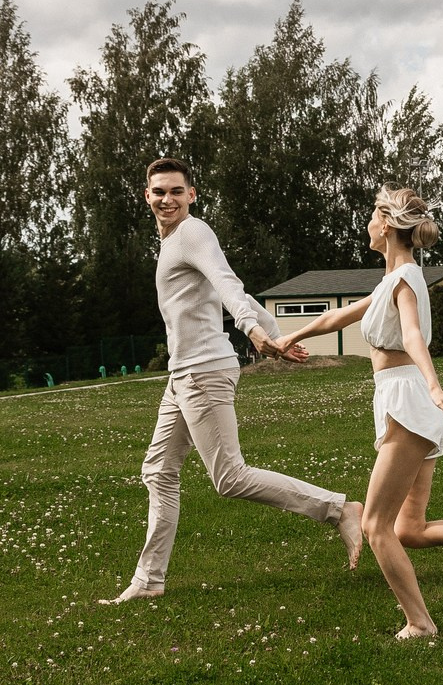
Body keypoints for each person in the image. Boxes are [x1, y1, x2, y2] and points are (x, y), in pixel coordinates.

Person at [274, 186, 443, 640]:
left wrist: (435, 386)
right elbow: (338, 318)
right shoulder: (391, 280)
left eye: (371, 217)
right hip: (406, 401)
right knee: (409, 529)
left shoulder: (405, 281)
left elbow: (414, 335)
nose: (367, 225)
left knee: (376, 525)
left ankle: (420, 622)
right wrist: (288, 337)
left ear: (387, 225)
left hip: (409, 401)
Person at [102, 158, 363, 604]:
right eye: (159, 192)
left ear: (192, 195)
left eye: (176, 191)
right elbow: (237, 291)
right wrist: (277, 335)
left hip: (203, 372)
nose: (167, 199)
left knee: (229, 477)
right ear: (146, 196)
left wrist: (258, 333)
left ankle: (340, 509)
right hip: (182, 374)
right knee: (158, 471)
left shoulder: (193, 233)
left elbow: (227, 286)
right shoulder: (170, 243)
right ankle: (149, 580)